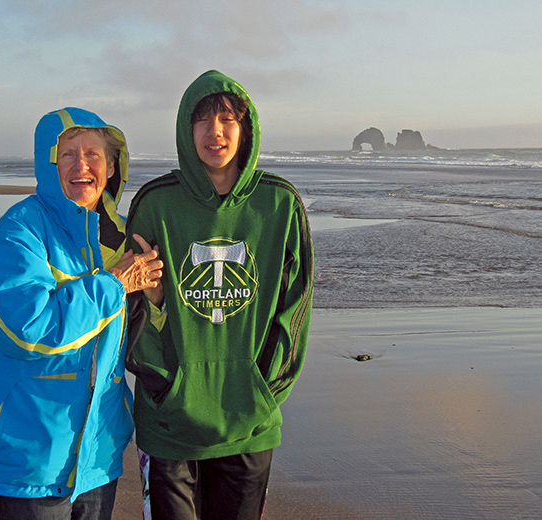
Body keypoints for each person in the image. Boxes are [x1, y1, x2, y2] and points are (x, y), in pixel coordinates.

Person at [125, 70, 314, 520]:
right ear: (185, 129)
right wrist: (168, 391)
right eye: (203, 121)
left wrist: (261, 392)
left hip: (248, 421)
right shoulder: (155, 204)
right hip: (168, 423)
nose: (215, 132)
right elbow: (133, 310)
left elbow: (296, 310)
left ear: (245, 129)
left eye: (228, 120)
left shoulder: (279, 205)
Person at [0, 107, 163, 520]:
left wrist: (156, 298)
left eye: (93, 154)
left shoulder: (124, 238)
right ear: (47, 162)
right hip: (28, 462)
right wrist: (115, 284)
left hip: (96, 459)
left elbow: (141, 339)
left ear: (111, 167)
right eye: (67, 154)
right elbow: (29, 332)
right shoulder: (19, 233)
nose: (81, 165)